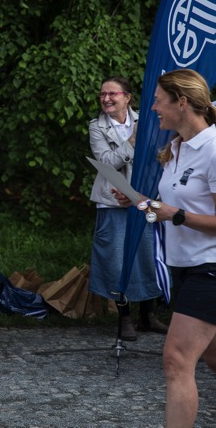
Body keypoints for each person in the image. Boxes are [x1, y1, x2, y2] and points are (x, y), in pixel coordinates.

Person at [115, 69, 216, 427]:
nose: (152, 108)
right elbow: (170, 209)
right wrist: (141, 202)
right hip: (182, 267)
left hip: (212, 270)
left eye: (157, 101)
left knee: (176, 361)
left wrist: (175, 214)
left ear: (182, 102)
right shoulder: (177, 148)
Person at [88, 76, 167, 341]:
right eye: (103, 94)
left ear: (127, 97)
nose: (106, 99)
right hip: (113, 201)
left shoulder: (148, 119)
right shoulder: (97, 126)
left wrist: (140, 195)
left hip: (145, 200)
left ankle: (148, 315)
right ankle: (124, 317)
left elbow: (160, 157)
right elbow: (106, 162)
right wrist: (132, 141)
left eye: (112, 94)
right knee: (116, 259)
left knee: (147, 256)